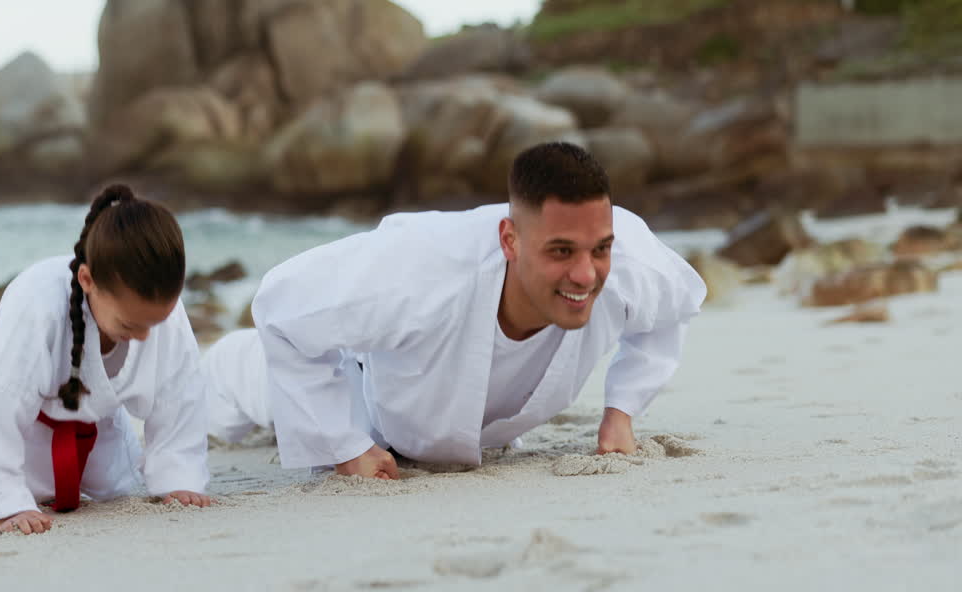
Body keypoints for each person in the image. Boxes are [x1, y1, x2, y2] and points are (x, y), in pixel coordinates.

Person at [203, 142, 706, 479]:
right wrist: (344, 445)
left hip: (472, 427)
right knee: (228, 393)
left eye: (599, 248)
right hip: (366, 390)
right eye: (560, 252)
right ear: (509, 239)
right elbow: (279, 307)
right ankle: (221, 367)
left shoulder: (627, 261)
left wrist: (622, 411)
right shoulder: (419, 270)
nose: (586, 274)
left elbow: (676, 306)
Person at [0, 184, 211, 534]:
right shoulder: (37, 302)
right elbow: (0, 402)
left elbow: (179, 395)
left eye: (156, 322)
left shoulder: (159, 306)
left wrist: (178, 476)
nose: (147, 336)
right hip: (11, 423)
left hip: (93, 424)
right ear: (87, 280)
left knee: (113, 484)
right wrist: (4, 501)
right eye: (131, 325)